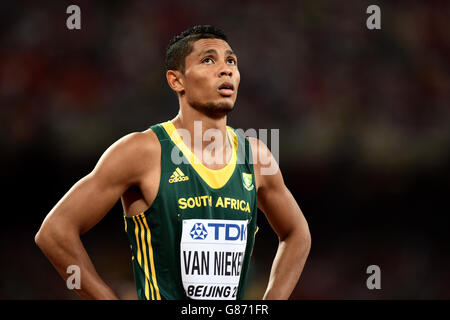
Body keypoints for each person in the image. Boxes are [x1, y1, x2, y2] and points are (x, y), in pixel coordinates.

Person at [35, 25, 311, 300]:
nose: (226, 69)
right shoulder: (142, 151)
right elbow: (54, 232)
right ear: (176, 80)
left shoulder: (255, 156)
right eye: (208, 60)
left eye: (231, 61)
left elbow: (297, 233)